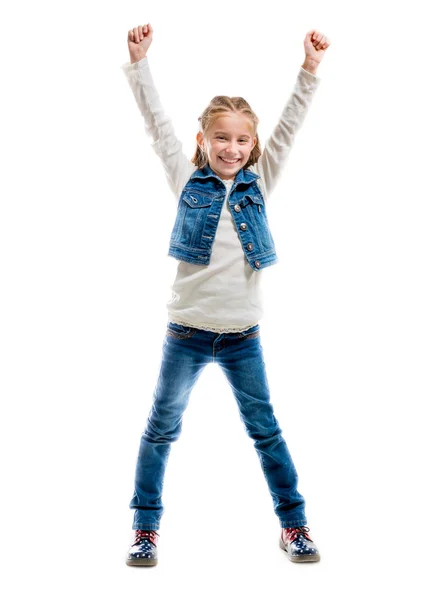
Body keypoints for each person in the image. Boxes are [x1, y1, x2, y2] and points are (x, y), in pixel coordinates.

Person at [121, 22, 330, 567]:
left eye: (241, 140)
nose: (231, 148)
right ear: (203, 141)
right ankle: (145, 530)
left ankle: (294, 525)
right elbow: (156, 124)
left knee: (266, 431)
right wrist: (139, 64)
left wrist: (308, 69)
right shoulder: (185, 178)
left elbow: (288, 128)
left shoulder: (259, 183)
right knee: (160, 429)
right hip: (185, 336)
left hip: (242, 338)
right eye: (221, 138)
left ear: (252, 146)